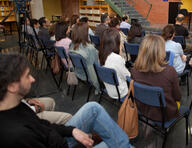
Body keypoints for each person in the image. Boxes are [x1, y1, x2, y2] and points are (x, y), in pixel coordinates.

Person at [0, 53, 132, 148]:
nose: (32, 79)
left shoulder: (17, 106)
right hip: (60, 144)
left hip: (57, 138)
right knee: (113, 142)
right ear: (12, 86)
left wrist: (72, 131)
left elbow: (43, 126)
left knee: (93, 108)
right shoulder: (17, 136)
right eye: (27, 76)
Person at [131, 35, 182, 121]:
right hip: (164, 114)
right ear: (161, 51)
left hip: (142, 108)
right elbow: (178, 97)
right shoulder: (170, 71)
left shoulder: (134, 70)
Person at [99, 28, 130, 99]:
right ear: (115, 43)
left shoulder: (101, 54)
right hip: (120, 92)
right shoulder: (117, 59)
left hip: (109, 89)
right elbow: (127, 76)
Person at [69, 23, 100, 93]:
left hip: (78, 72)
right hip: (89, 75)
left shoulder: (71, 45)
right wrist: (97, 87)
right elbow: (93, 69)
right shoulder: (90, 49)